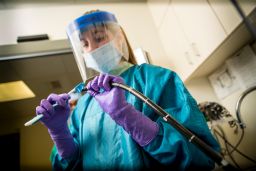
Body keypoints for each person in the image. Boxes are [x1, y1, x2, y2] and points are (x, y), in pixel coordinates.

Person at [36, 10, 220, 170]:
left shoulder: (157, 79)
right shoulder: (84, 104)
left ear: (119, 38)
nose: (92, 49)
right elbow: (72, 164)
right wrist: (60, 132)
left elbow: (200, 157)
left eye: (99, 38)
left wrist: (127, 115)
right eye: (84, 44)